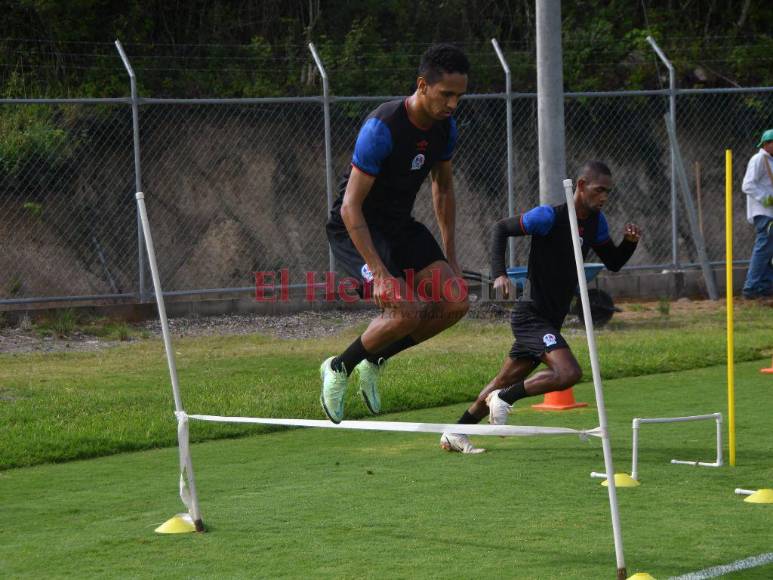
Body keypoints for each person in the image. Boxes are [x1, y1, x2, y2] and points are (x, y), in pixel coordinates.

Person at [440, 161, 641, 453]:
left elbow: (613, 262)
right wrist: (500, 273)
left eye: (608, 192)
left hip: (550, 318)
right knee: (568, 372)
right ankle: (505, 398)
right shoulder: (548, 217)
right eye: (599, 191)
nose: (604, 198)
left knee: (504, 378)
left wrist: (629, 243)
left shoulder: (597, 222)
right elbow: (500, 229)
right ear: (581, 186)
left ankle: (455, 433)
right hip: (531, 316)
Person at [320, 44, 471, 423]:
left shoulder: (445, 128)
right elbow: (349, 206)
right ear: (422, 85)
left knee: (455, 303)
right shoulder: (382, 127)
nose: (453, 104)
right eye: (446, 94)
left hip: (398, 225)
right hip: (356, 228)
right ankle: (338, 367)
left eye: (459, 96)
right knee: (407, 310)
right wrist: (382, 275)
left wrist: (451, 258)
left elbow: (444, 190)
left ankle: (375, 359)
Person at [740, 129, 773, 300]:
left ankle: (766, 286)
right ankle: (751, 287)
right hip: (763, 213)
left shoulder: (770, 161)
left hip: (770, 213)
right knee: (763, 249)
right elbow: (747, 185)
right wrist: (766, 198)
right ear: (767, 144)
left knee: (769, 251)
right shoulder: (759, 159)